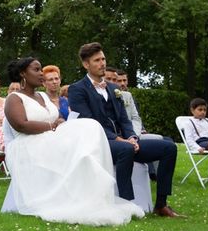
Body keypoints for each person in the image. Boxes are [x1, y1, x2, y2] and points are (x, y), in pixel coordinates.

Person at [3, 57, 144, 225]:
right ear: (22, 73)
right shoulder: (14, 98)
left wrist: (60, 122)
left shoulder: (42, 96)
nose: (41, 73)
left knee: (89, 126)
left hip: (51, 139)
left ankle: (92, 193)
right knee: (81, 143)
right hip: (29, 145)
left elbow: (57, 117)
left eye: (41, 69)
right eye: (36, 70)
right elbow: (21, 125)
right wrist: (51, 126)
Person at [68, 42, 182, 218]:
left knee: (169, 148)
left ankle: (161, 204)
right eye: (97, 60)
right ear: (86, 64)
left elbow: (124, 119)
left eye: (103, 59)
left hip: (125, 142)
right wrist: (121, 140)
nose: (102, 63)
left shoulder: (114, 89)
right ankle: (127, 204)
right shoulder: (77, 89)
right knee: (126, 149)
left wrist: (133, 138)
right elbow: (88, 123)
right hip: (98, 143)